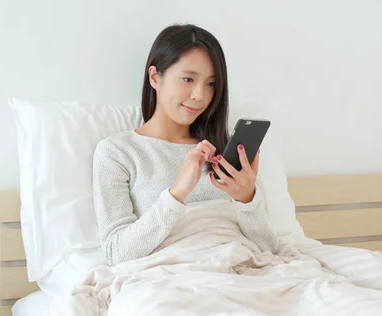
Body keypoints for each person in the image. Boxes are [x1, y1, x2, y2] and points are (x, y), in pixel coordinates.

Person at [92, 23, 280, 266]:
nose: (199, 95)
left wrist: (247, 199)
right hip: (173, 280)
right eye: (188, 79)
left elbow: (269, 249)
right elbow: (117, 253)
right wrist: (177, 193)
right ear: (154, 77)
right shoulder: (117, 152)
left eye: (211, 83)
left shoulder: (226, 151)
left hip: (245, 272)